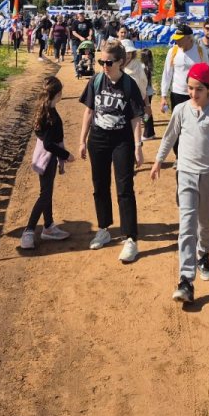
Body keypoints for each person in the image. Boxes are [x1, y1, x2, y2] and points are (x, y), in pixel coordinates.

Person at [150, 63, 209, 304]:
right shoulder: (180, 110)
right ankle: (185, 280)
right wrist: (158, 161)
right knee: (187, 225)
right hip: (185, 173)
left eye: (198, 89)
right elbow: (169, 138)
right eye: (190, 88)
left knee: (207, 223)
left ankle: (203, 253)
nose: (193, 94)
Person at [79, 40, 145, 263]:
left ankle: (130, 239)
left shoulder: (129, 85)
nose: (104, 66)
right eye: (101, 62)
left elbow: (136, 118)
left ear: (121, 61)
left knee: (124, 189)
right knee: (100, 186)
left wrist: (138, 147)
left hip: (122, 141)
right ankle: (104, 229)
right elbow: (89, 112)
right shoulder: (96, 81)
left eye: (108, 62)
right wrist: (81, 141)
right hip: (98, 140)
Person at [20, 76, 74, 249]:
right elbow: (49, 144)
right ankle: (28, 231)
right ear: (58, 94)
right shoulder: (51, 116)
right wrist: (66, 154)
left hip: (41, 156)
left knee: (47, 192)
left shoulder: (43, 109)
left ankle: (49, 226)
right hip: (47, 158)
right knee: (44, 195)